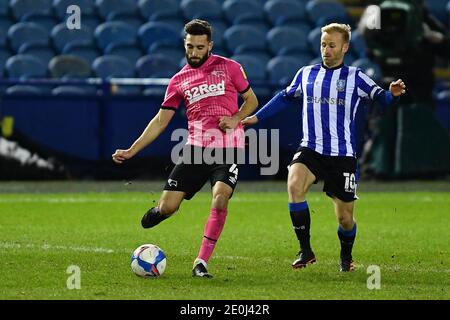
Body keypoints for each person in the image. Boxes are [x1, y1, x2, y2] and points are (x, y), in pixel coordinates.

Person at [242, 23, 406, 272]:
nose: (326, 50)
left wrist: (391, 94)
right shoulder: (306, 73)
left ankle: (346, 257)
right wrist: (256, 118)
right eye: (323, 44)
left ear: (345, 47)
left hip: (342, 156)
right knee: (294, 185)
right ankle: (305, 250)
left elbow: (380, 97)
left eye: (332, 45)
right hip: (311, 148)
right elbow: (284, 97)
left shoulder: (356, 77)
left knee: (345, 218)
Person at [112, 19, 258, 278]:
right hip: (196, 149)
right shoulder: (179, 80)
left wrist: (235, 119)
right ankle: (159, 211)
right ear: (184, 44)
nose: (194, 53)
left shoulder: (230, 67)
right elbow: (160, 121)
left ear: (210, 45)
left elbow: (251, 100)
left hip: (229, 148)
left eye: (200, 47)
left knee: (220, 197)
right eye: (190, 46)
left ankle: (201, 262)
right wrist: (132, 150)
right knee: (168, 208)